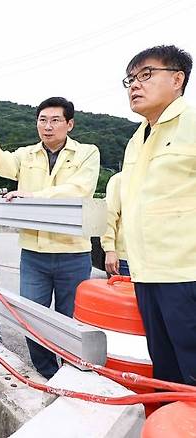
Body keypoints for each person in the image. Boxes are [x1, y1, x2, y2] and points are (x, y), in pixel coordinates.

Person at [0, 97, 100, 379]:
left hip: (73, 252)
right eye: (42, 120)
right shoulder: (27, 154)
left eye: (55, 120)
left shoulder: (87, 153)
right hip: (33, 252)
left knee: (72, 322)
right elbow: (2, 165)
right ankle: (48, 374)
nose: (47, 126)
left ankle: (73, 375)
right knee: (31, 317)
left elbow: (80, 189)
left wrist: (33, 196)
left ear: (69, 124)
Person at [119, 45, 196, 385]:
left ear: (177, 79)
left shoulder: (191, 124)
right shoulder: (137, 138)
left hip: (186, 274)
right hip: (146, 274)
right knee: (166, 373)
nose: (135, 84)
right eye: (130, 79)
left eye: (146, 75)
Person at [101, 173, 129, 276]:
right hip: (126, 259)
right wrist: (109, 250)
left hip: (159, 261)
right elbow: (108, 216)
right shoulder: (120, 179)